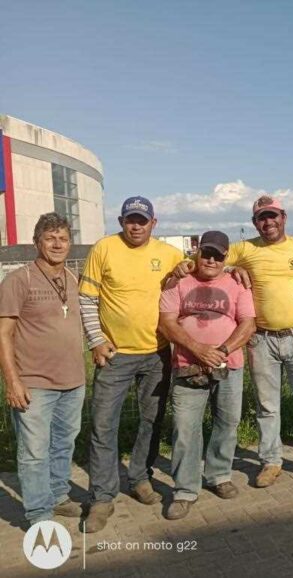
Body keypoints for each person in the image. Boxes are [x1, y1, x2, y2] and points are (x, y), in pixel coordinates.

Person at [177, 196, 293, 490]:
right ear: (254, 222)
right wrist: (230, 268)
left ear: (284, 217)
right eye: (261, 218)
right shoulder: (245, 249)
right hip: (261, 339)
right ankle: (271, 461)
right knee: (267, 406)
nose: (268, 222)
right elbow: (210, 262)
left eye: (273, 216)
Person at [79, 196, 184, 533]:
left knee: (152, 420)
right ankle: (102, 496)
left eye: (142, 220)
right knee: (103, 424)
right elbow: (86, 298)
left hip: (158, 352)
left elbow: (200, 273)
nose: (135, 226)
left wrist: (233, 269)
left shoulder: (169, 254)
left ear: (154, 222)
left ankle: (140, 477)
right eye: (130, 220)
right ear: (121, 221)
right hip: (115, 355)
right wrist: (96, 339)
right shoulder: (104, 249)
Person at [159, 231, 256, 520]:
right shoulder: (177, 281)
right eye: (206, 253)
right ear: (196, 252)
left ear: (226, 257)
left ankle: (218, 475)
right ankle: (185, 490)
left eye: (218, 255)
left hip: (228, 365)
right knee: (185, 429)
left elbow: (248, 324)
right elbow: (166, 323)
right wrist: (198, 349)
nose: (211, 259)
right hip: (188, 366)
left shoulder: (237, 282)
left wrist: (222, 350)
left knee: (227, 423)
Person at [0, 214, 85, 526]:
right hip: (34, 383)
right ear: (37, 242)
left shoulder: (73, 278)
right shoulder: (18, 280)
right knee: (34, 451)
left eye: (63, 238)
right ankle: (38, 512)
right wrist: (12, 382)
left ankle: (58, 495)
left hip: (73, 381)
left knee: (64, 443)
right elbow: (3, 334)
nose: (57, 244)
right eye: (50, 238)